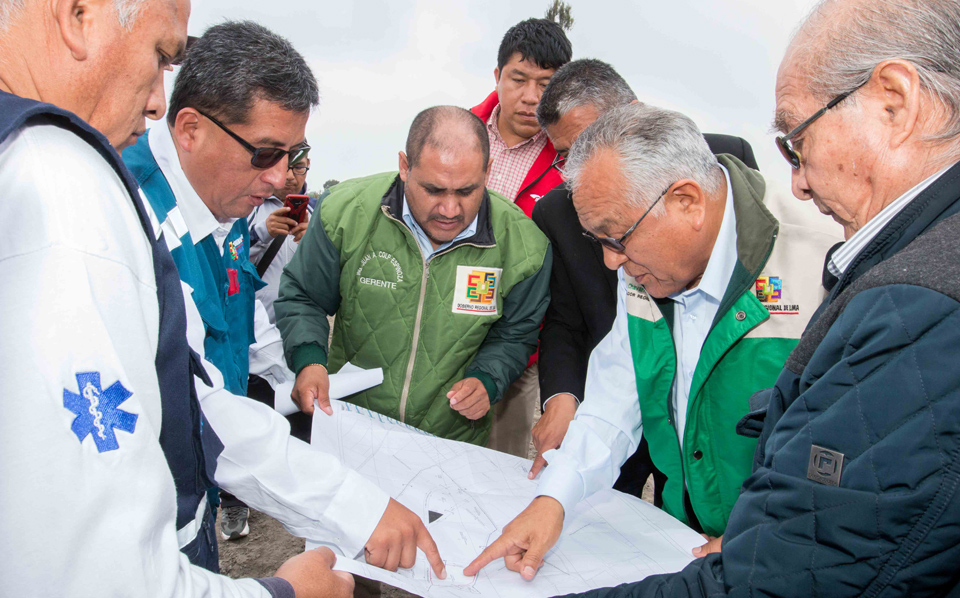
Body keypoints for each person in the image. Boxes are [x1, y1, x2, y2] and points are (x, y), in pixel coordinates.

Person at [0, 0, 356, 595]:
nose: (158, 101)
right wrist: (286, 592)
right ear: (78, 15)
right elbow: (102, 569)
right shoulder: (63, 181)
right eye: (161, 56)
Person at [465, 101, 843, 581]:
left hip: (791, 555)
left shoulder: (820, 251)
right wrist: (553, 499)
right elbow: (615, 392)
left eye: (615, 239)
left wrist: (768, 530)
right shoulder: (647, 264)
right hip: (681, 539)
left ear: (686, 202)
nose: (608, 262)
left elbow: (855, 442)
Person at [122, 22, 446, 561]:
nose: (280, 178)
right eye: (264, 153)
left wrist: (295, 375)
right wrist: (356, 506)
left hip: (193, 492)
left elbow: (242, 316)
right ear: (190, 128)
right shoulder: (137, 214)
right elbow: (207, 407)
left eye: (294, 154)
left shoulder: (222, 206)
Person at [529, 59, 760, 507]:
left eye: (590, 142)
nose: (611, 261)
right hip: (633, 422)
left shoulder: (731, 174)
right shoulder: (565, 217)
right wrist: (553, 495)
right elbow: (598, 357)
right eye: (565, 156)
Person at [275, 105, 551, 448]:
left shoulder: (525, 245)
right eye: (434, 190)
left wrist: (487, 380)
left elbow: (516, 333)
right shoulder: (344, 213)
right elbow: (304, 296)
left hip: (451, 442)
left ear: (488, 171)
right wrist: (309, 361)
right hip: (350, 431)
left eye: (467, 191)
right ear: (405, 167)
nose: (450, 210)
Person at [469, 17, 572, 458]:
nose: (531, 97)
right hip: (442, 329)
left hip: (518, 343)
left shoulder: (571, 161)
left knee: (497, 464)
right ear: (498, 77)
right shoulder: (457, 136)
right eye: (519, 79)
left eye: (546, 84)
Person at [249, 156, 312, 324]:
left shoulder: (320, 212)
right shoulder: (248, 207)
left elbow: (331, 273)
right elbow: (229, 259)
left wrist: (313, 244)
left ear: (308, 165)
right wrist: (263, 232)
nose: (290, 176)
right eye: (285, 167)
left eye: (299, 167)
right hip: (254, 323)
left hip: (300, 323)